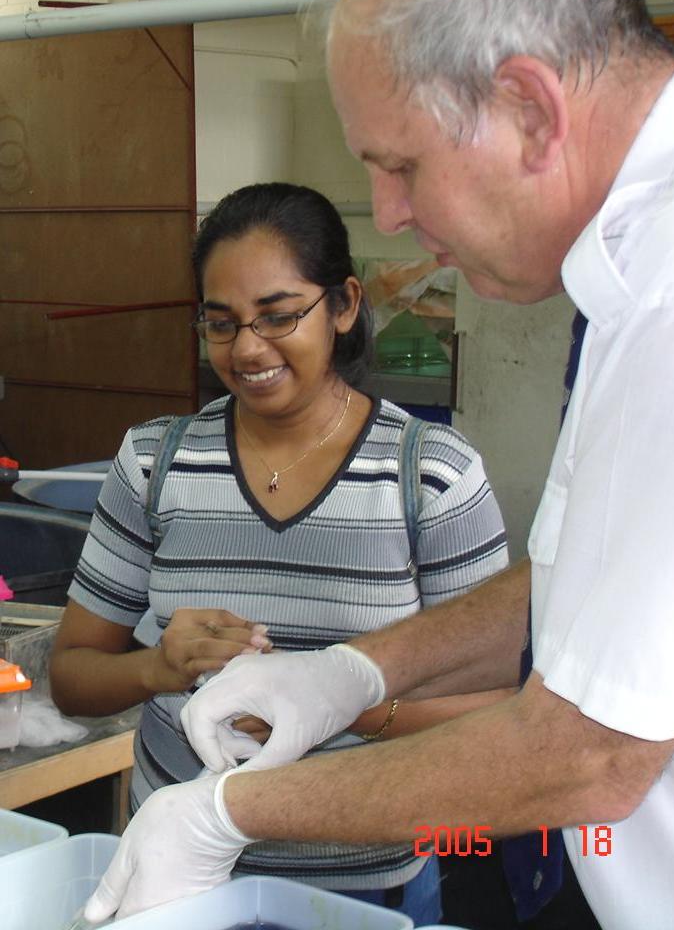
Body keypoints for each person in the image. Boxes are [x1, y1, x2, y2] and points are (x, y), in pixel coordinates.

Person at [81, 0, 674, 929]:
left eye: (402, 165)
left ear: (528, 107)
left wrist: (227, 814)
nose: (387, 213)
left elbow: (592, 753)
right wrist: (356, 670)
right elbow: (606, 567)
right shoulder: (662, 254)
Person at [49, 181, 510, 926]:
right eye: (221, 323)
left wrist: (332, 706)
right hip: (178, 879)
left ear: (344, 306)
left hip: (360, 879)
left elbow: (497, 707)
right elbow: (73, 678)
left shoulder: (428, 475)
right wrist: (157, 668)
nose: (248, 349)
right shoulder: (155, 464)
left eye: (279, 316)